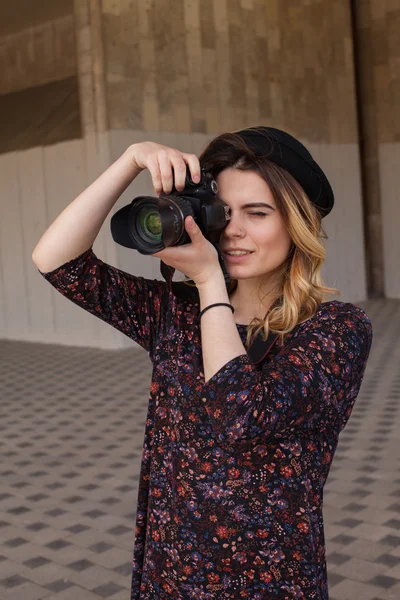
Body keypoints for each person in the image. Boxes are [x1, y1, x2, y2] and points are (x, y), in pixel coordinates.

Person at [32, 126, 373, 600]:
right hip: (170, 568)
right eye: (223, 213)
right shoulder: (175, 311)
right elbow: (56, 261)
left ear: (298, 223)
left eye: (257, 213)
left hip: (268, 578)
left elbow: (240, 414)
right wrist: (129, 160)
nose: (233, 230)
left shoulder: (337, 328)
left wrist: (211, 283)